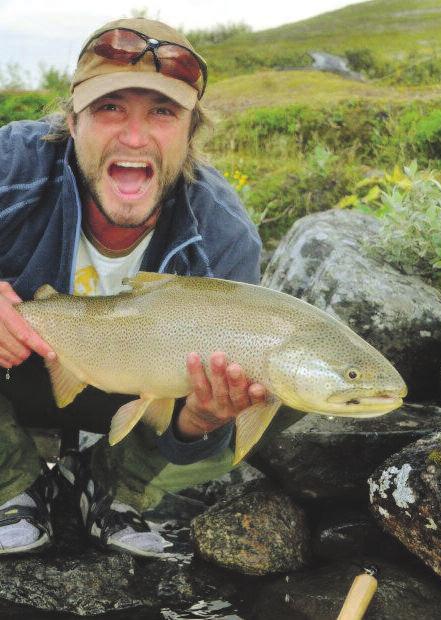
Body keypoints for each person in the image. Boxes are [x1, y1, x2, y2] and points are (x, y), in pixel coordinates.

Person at [0, 17, 266, 558]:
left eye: (162, 112)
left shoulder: (225, 238)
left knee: (260, 407)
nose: (135, 136)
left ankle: (107, 487)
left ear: (191, 132)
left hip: (135, 393)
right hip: (19, 376)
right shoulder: (11, 167)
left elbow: (208, 429)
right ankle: (12, 483)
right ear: (71, 122)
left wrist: (204, 418)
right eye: (110, 107)